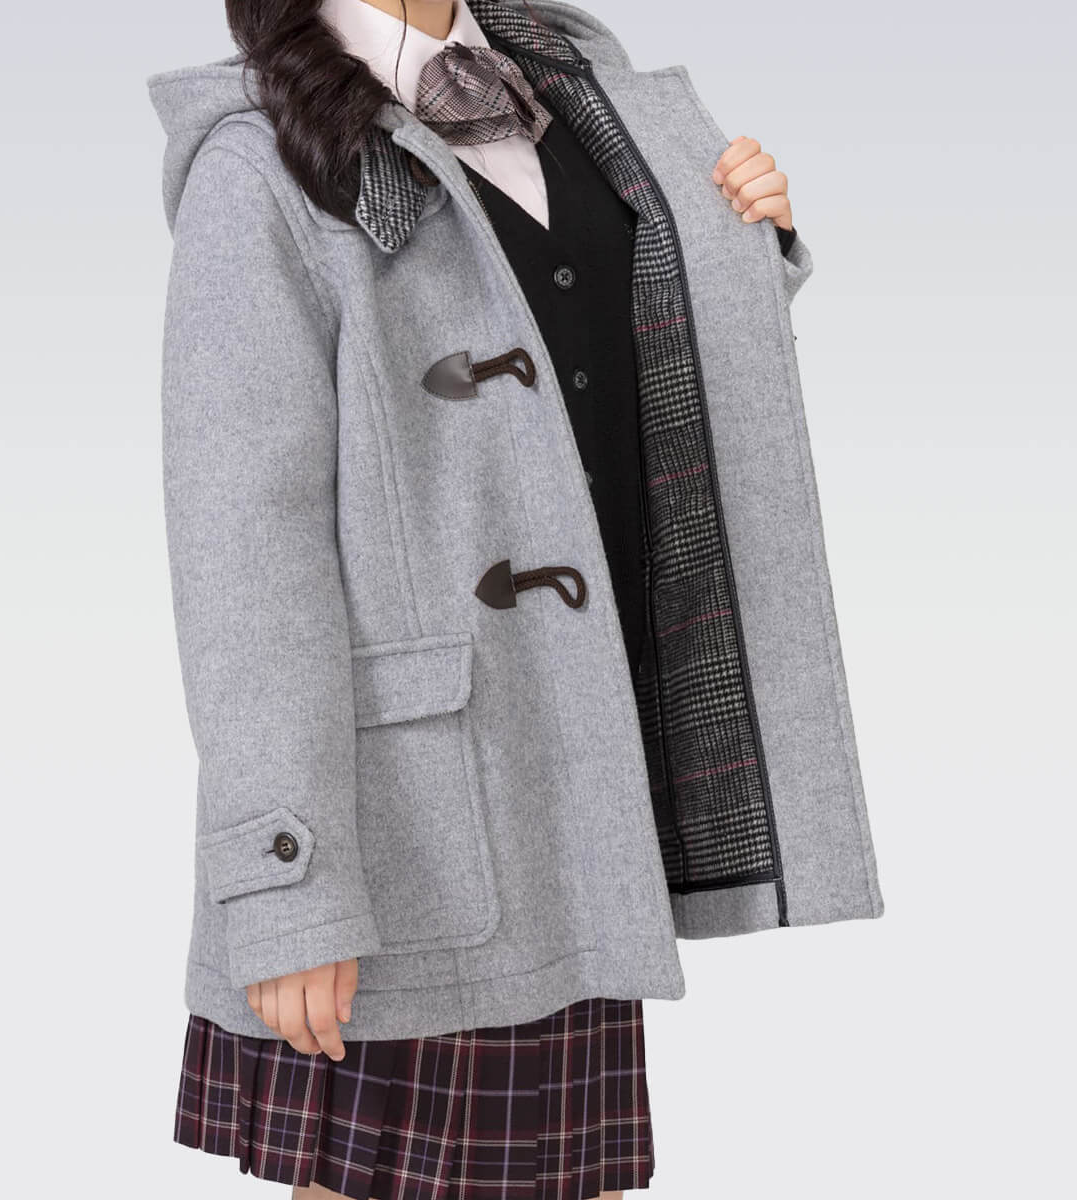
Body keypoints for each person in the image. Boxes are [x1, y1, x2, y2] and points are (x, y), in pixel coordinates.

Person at [146, 2, 883, 1197]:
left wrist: (739, 243)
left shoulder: (577, 90)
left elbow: (588, 368)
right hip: (407, 823)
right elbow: (243, 557)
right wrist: (286, 884)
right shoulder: (264, 162)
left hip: (577, 778)